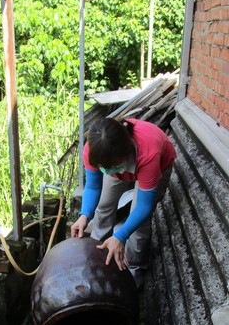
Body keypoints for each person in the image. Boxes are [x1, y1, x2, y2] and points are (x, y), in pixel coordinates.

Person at [70, 116, 177, 289]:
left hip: (156, 165)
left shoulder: (149, 153)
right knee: (103, 206)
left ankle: (134, 270)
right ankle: (98, 253)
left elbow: (143, 206)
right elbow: (93, 187)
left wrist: (120, 236)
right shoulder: (95, 150)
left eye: (109, 166)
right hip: (118, 165)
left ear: (125, 155)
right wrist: (84, 215)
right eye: (103, 167)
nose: (105, 170)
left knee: (138, 225)